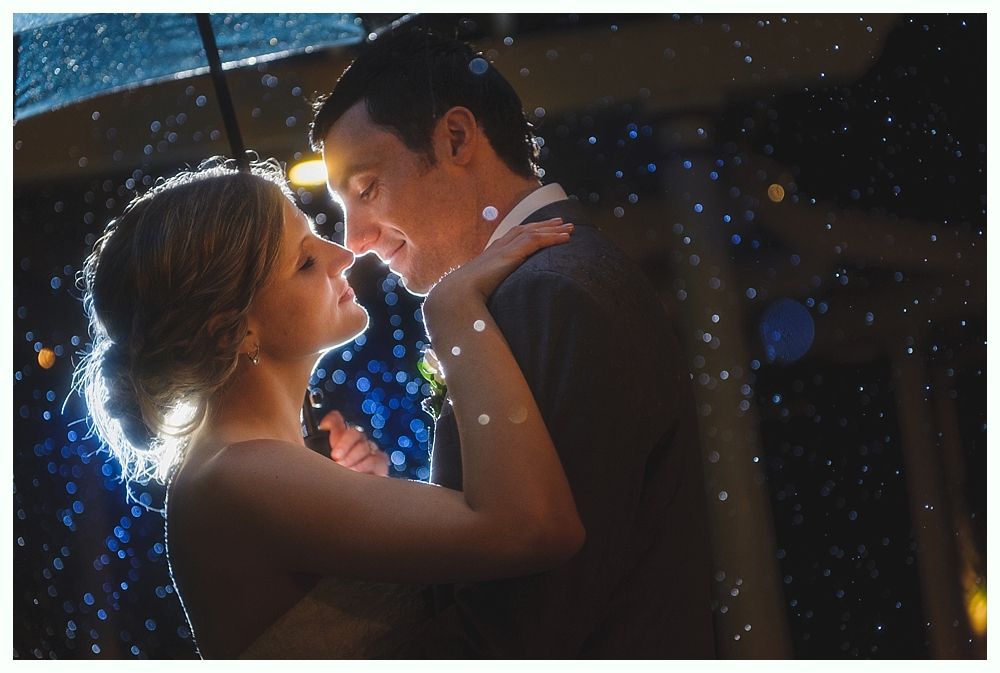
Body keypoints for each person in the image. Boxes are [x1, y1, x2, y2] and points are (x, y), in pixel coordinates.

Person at [75, 156, 584, 659]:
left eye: (316, 236)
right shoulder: (238, 477)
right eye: (304, 262)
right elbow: (535, 530)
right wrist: (454, 312)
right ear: (233, 331)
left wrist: (367, 492)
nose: (343, 256)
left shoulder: (248, 466)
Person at [310, 28, 717, 657]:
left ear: (456, 138)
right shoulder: (556, 277)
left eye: (366, 190)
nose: (355, 239)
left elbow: (528, 615)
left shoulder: (547, 293)